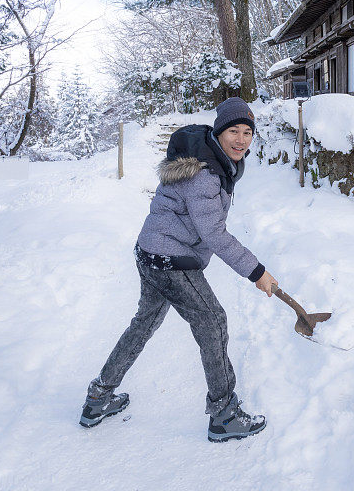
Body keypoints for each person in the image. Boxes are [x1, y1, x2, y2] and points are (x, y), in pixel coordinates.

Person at [80, 97, 277, 443]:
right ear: (218, 132)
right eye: (234, 131)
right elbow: (214, 234)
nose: (242, 140)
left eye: (248, 132)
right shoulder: (204, 174)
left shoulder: (206, 159)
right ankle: (224, 413)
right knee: (212, 322)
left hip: (150, 253)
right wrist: (256, 271)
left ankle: (99, 396)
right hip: (171, 261)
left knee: (144, 324)